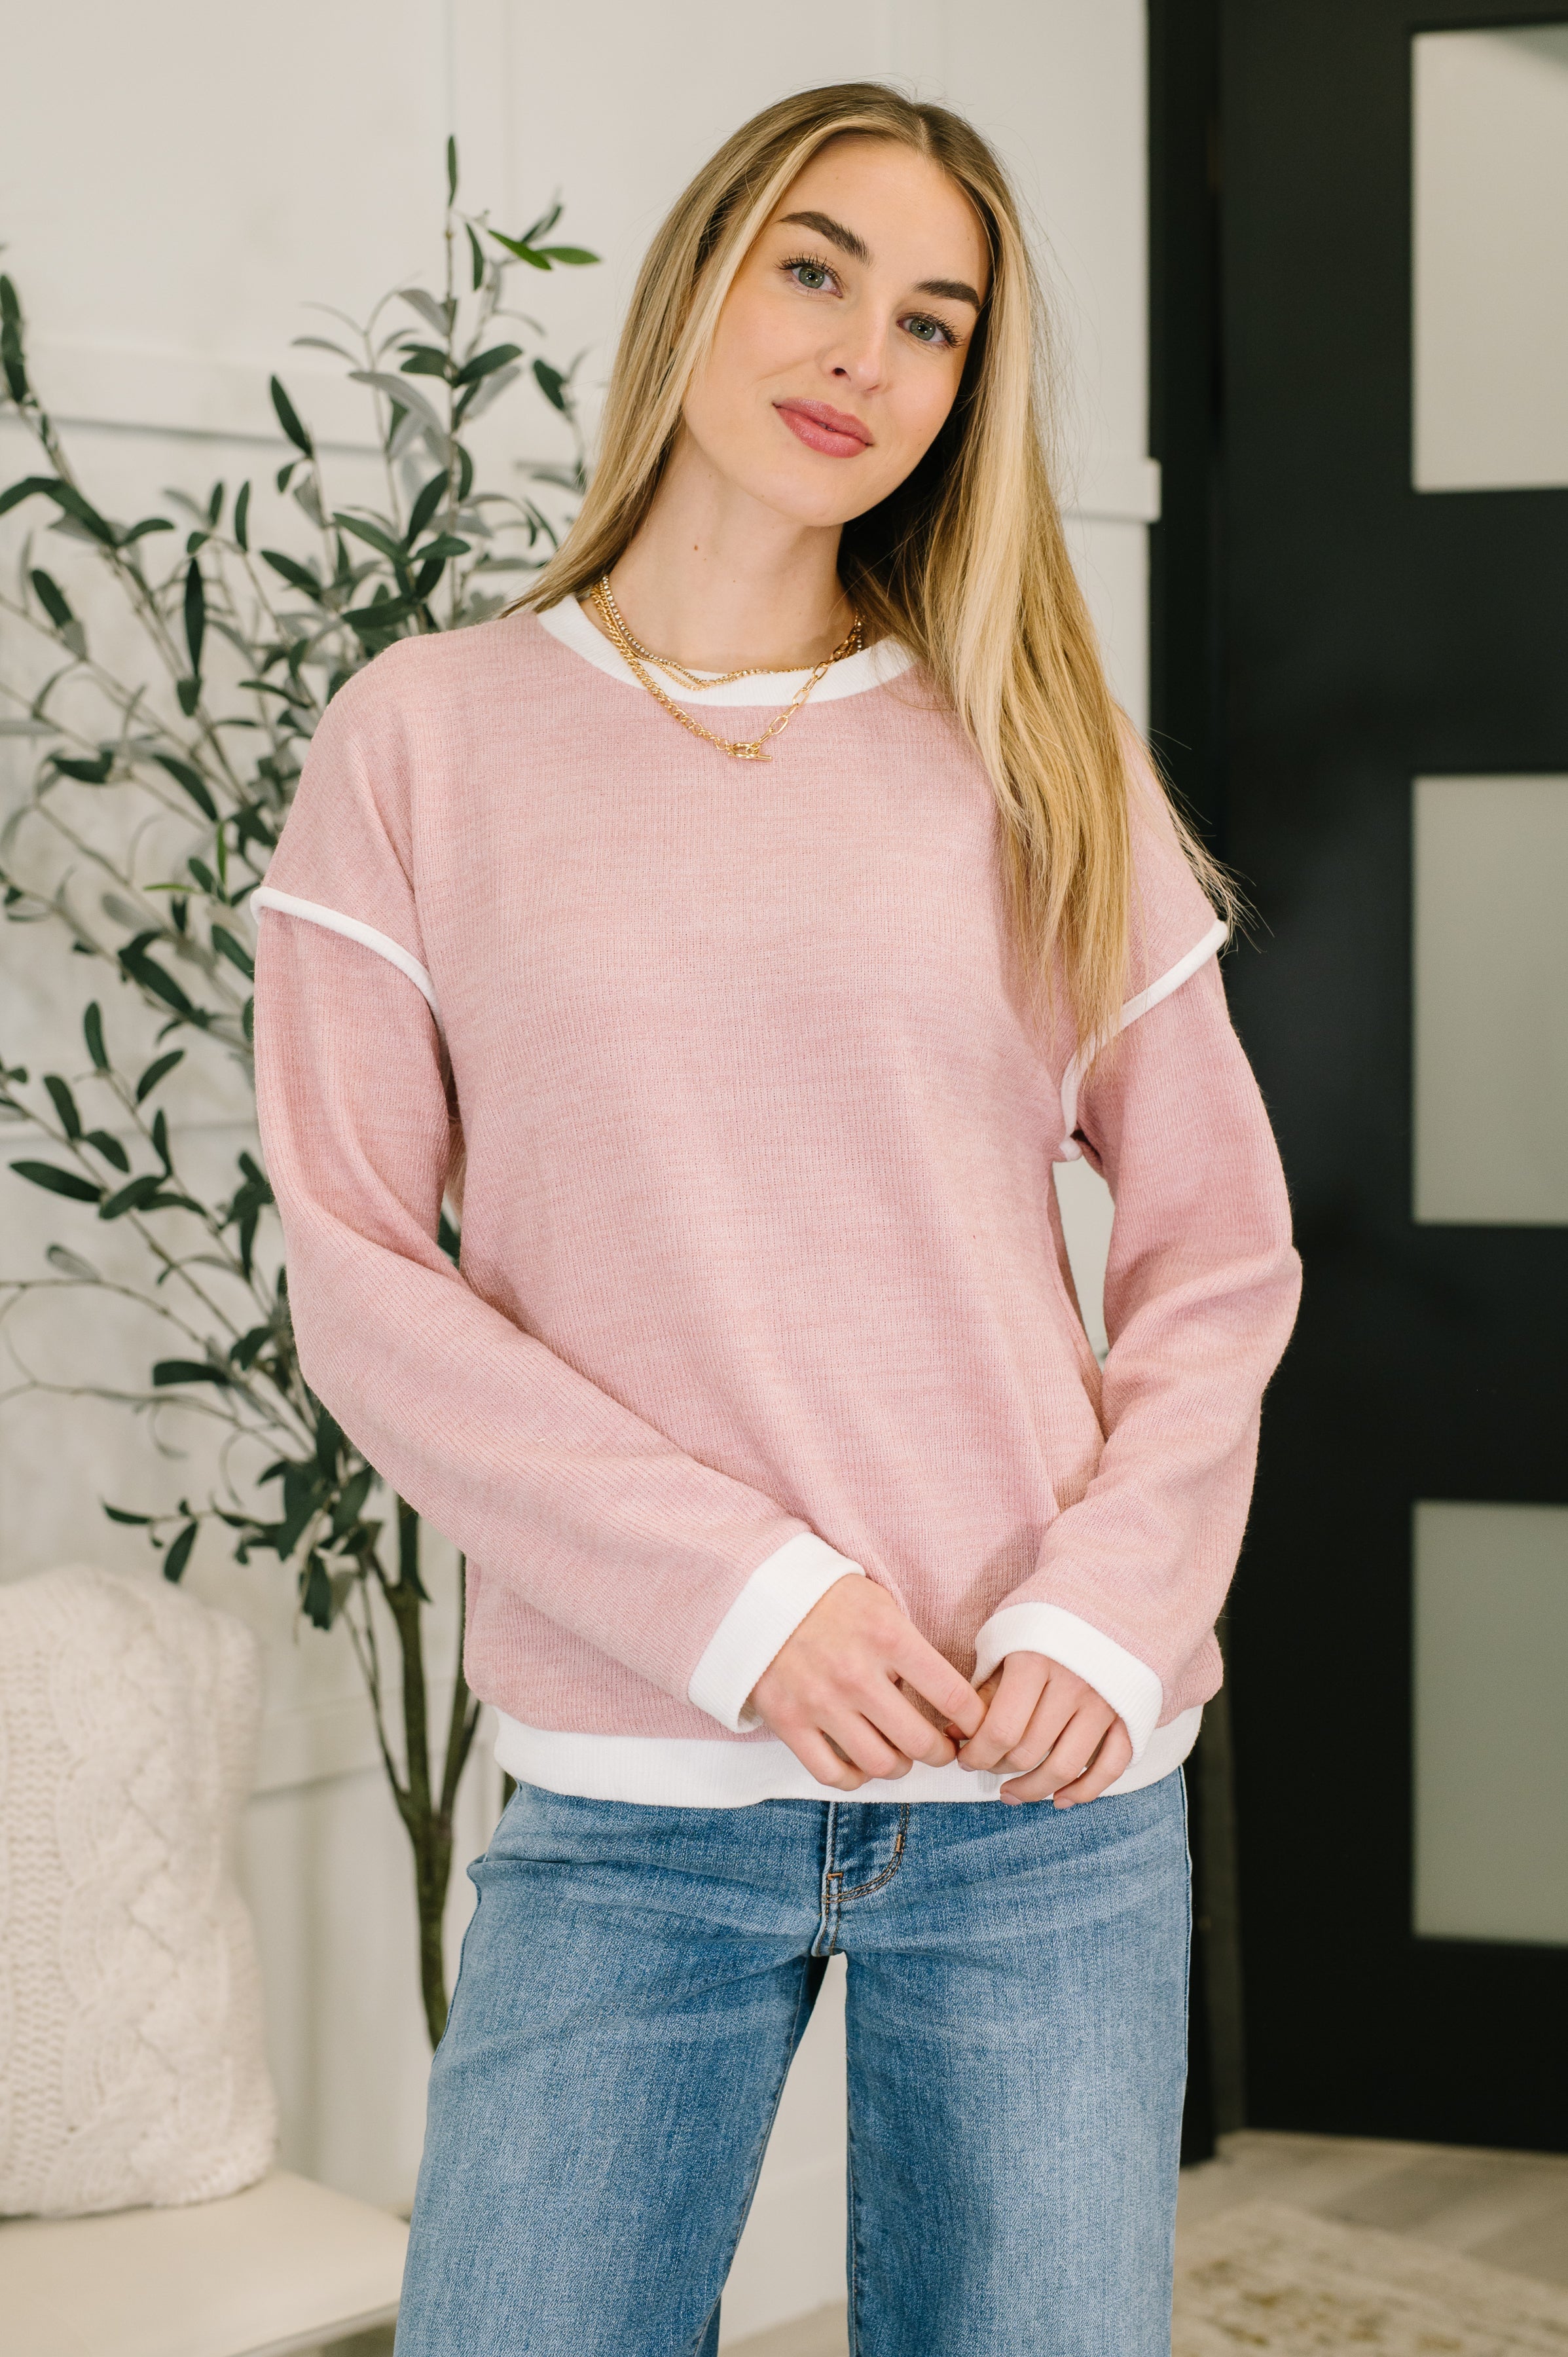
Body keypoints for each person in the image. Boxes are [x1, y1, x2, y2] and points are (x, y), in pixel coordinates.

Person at [253, 79, 1300, 2357]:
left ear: (962, 393)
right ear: (702, 281)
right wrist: (752, 1600)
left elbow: (1216, 1244)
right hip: (633, 1789)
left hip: (1042, 1788)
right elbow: (354, 1272)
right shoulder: (426, 738)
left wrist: (1112, 1611)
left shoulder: (1027, 745)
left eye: (931, 323)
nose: (859, 353)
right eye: (814, 268)